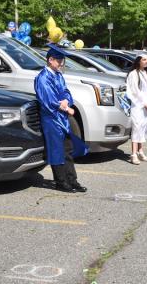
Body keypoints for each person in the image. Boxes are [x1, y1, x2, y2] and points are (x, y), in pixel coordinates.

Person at [34, 43, 88, 193]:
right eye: (58, 61)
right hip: (51, 119)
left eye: (61, 61)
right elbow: (47, 100)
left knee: (68, 149)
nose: (61, 64)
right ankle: (61, 182)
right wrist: (65, 107)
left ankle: (72, 180)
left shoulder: (58, 76)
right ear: (50, 60)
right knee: (56, 150)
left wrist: (66, 100)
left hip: (62, 118)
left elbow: (66, 92)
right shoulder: (42, 78)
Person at [126, 54, 147, 165]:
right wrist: (144, 103)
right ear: (138, 61)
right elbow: (134, 91)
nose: (146, 62)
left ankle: (140, 151)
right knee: (137, 127)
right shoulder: (133, 74)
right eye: (144, 60)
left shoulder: (146, 73)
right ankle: (133, 154)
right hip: (138, 105)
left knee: (144, 127)